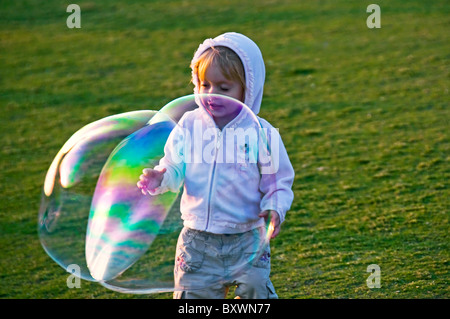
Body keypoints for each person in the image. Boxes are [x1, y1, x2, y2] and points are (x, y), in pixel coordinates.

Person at [137, 32, 294, 299]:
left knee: (256, 291)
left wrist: (274, 207)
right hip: (197, 240)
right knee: (194, 296)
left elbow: (277, 181)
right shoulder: (188, 124)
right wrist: (161, 176)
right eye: (205, 84)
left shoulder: (262, 134)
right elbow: (175, 165)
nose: (212, 94)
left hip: (248, 236)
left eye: (224, 88)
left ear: (248, 88)